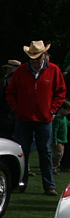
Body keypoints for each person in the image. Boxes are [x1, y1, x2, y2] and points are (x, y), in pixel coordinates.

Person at [6, 40, 67, 196]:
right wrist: (17, 109)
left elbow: (61, 92)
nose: (34, 61)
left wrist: (52, 110)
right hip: (24, 119)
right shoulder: (20, 71)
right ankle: (21, 183)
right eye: (32, 57)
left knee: (45, 152)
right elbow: (10, 92)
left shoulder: (54, 70)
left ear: (43, 56)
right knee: (22, 152)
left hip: (44, 119)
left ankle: (49, 186)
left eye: (37, 57)